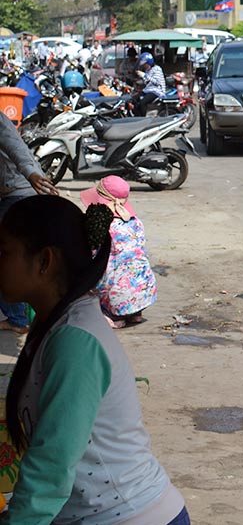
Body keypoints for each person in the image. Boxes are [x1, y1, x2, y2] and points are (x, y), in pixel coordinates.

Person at [0, 195, 189, 524]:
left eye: (3, 252)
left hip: (131, 516)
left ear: (44, 261)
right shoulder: (52, 322)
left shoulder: (75, 340)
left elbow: (51, 467)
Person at [0, 114, 59, 335]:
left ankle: (17, 318)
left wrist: (32, 174)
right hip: (12, 193)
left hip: (20, 192)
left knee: (10, 257)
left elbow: (16, 148)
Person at [80, 176, 156, 329]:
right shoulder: (136, 222)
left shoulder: (104, 227)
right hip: (145, 290)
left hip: (117, 296)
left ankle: (113, 315)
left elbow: (92, 256)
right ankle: (135, 313)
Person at [135, 51, 166, 116]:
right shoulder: (148, 70)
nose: (144, 66)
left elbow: (157, 82)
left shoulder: (157, 69)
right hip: (148, 90)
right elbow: (147, 81)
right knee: (134, 99)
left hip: (157, 91)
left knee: (143, 102)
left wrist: (144, 75)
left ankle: (142, 120)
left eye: (145, 65)